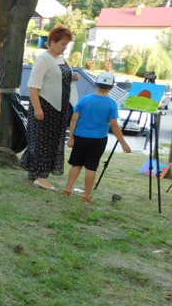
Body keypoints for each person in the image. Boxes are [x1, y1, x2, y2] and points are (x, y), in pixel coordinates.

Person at [20, 25, 80, 191]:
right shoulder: (44, 59)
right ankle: (41, 177)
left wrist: (72, 77)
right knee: (41, 142)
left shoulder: (61, 59)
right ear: (52, 42)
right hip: (44, 106)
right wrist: (38, 109)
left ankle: (35, 172)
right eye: (62, 44)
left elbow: (57, 78)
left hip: (59, 109)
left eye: (66, 44)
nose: (64, 47)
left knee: (52, 142)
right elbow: (33, 86)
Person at [62, 71, 131, 203]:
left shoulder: (84, 99)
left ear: (96, 84)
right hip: (98, 140)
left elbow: (74, 119)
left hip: (81, 137)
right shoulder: (112, 104)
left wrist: (71, 136)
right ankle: (86, 196)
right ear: (111, 87)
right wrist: (123, 143)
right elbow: (114, 125)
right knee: (91, 167)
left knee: (76, 164)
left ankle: (67, 189)